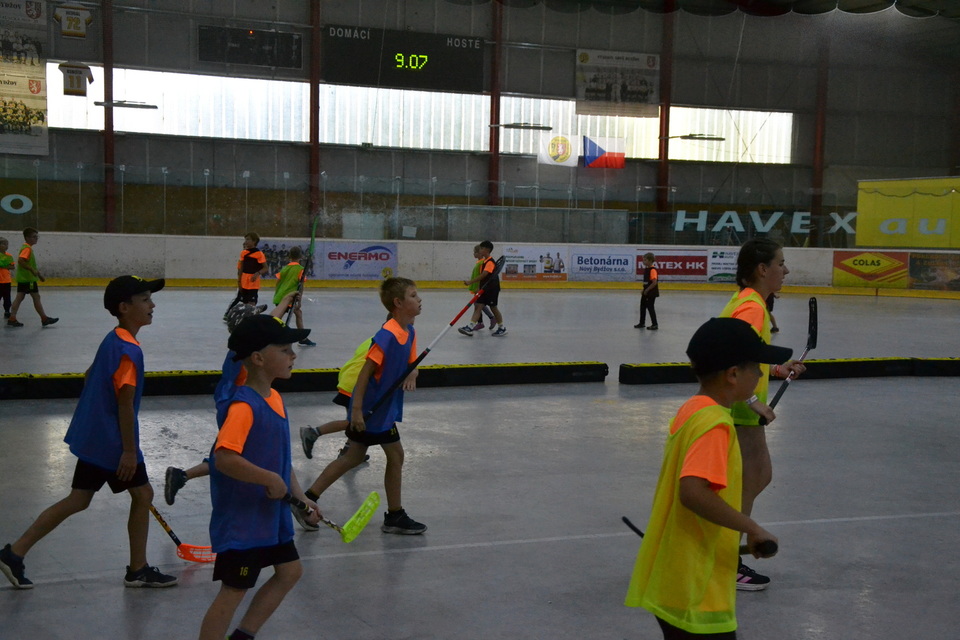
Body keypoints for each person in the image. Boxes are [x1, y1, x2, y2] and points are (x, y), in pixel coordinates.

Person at [0, 275, 176, 589]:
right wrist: (129, 451)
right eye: (145, 300)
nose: (153, 305)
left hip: (96, 438)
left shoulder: (113, 339)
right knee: (142, 494)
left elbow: (89, 375)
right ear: (124, 307)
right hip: (112, 443)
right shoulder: (129, 352)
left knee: (80, 499)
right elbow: (125, 405)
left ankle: (14, 553)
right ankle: (137, 569)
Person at [625, 317, 787, 639]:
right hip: (697, 585)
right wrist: (752, 527)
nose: (761, 375)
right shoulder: (716, 425)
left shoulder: (694, 409)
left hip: (677, 576)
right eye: (757, 367)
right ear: (733, 374)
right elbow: (693, 492)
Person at [198, 314, 320, 640]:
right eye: (284, 349)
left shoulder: (275, 398)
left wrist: (301, 499)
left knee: (290, 571)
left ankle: (242, 636)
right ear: (258, 358)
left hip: (270, 518)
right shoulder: (243, 407)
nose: (293, 355)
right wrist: (267, 478)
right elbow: (224, 458)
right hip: (243, 522)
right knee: (234, 589)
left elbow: (281, 461)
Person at [164, 292, 343, 505]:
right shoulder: (241, 369)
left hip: (236, 403)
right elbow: (268, 325)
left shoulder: (242, 353)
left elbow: (269, 324)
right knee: (236, 454)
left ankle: (182, 475)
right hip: (237, 406)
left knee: (232, 451)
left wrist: (285, 301)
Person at [301, 277, 426, 535]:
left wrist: (412, 372)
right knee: (394, 455)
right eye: (414, 295)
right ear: (398, 303)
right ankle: (394, 515)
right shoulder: (387, 335)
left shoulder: (408, 331)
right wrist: (356, 411)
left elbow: (409, 359)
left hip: (383, 408)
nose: (419, 299)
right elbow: (364, 373)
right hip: (372, 409)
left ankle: (305, 500)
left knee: (354, 456)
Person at [718, 238, 805, 590]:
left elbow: (749, 355)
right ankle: (725, 560)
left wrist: (777, 369)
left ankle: (721, 552)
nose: (786, 270)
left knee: (752, 479)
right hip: (740, 410)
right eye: (780, 263)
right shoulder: (752, 307)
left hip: (738, 407)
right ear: (762, 269)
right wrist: (753, 399)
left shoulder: (748, 301)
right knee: (749, 481)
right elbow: (731, 355)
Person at [6, 227, 58, 328]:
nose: (36, 238)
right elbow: (21, 261)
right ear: (27, 238)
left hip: (24, 278)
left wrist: (38, 274)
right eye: (34, 237)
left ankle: (12, 318)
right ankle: (44, 318)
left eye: (36, 237)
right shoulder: (27, 249)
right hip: (28, 279)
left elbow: (29, 264)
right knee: (35, 297)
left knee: (20, 297)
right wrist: (32, 270)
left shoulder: (26, 248)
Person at [458, 240, 505, 337]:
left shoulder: (490, 262)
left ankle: (502, 327)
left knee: (493, 308)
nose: (480, 250)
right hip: (484, 289)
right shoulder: (485, 261)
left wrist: (470, 282)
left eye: (482, 248)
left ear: (487, 250)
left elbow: (484, 275)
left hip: (492, 289)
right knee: (478, 306)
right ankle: (470, 327)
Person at [273, 245, 315, 347]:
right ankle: (301, 338)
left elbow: (277, 282)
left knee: (284, 316)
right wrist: (299, 301)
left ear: (289, 256)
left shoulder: (285, 268)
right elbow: (301, 285)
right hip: (290, 297)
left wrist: (278, 293)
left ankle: (302, 338)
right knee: (291, 315)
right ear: (301, 256)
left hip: (280, 296)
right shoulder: (300, 269)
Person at [223, 232, 267, 321]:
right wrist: (239, 281)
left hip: (253, 283)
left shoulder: (259, 254)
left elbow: (265, 268)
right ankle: (230, 314)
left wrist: (258, 273)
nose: (246, 241)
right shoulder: (243, 253)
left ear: (254, 241)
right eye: (245, 239)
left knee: (252, 302)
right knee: (241, 300)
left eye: (248, 239)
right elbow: (241, 269)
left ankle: (249, 318)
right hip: (244, 282)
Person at [465, 244, 496, 332]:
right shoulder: (479, 262)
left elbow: (482, 276)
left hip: (479, 287)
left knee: (478, 304)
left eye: (475, 252)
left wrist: (477, 286)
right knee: (477, 304)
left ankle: (487, 319)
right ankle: (482, 321)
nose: (474, 254)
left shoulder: (482, 263)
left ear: (479, 253)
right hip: (477, 286)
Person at [635, 252, 659, 330]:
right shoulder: (647, 269)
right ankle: (642, 323)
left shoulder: (652, 270)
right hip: (646, 292)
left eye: (645, 260)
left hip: (651, 292)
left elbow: (654, 282)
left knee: (650, 307)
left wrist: (647, 290)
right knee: (642, 306)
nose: (643, 261)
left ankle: (655, 324)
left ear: (650, 260)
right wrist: (644, 289)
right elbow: (647, 282)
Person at [0, 236, 13, 319]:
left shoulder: (9, 256)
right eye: (4, 244)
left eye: (7, 244)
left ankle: (7, 310)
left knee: (7, 297)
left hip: (7, 281)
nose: (6, 246)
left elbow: (12, 266)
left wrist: (3, 265)